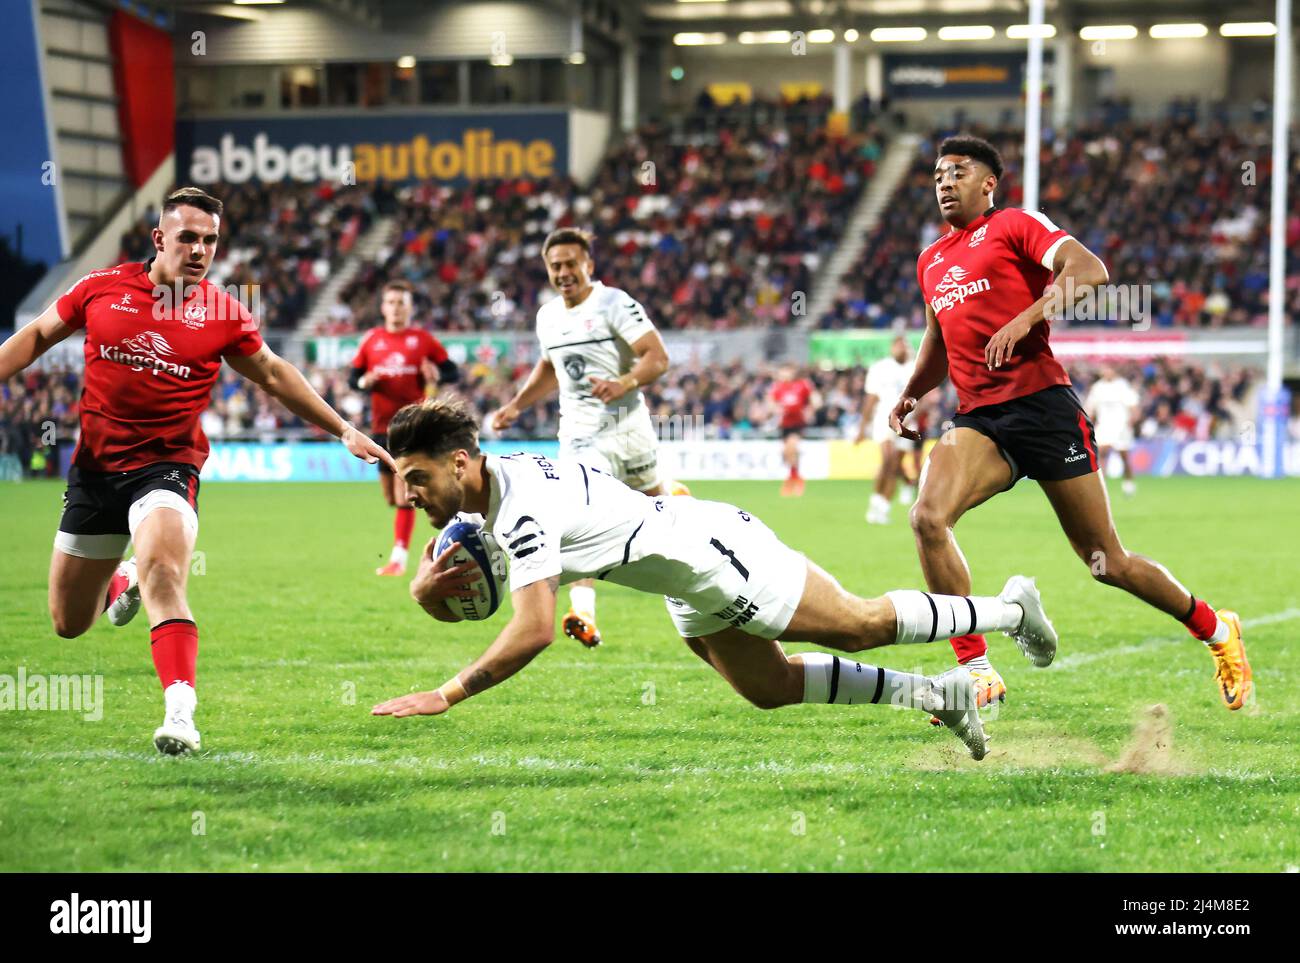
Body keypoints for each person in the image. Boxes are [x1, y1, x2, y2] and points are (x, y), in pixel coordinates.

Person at [371, 398, 1061, 762]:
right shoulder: (502, 481)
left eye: (418, 479)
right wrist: (433, 581)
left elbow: (532, 628)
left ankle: (1008, 608)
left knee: (861, 623)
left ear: (460, 462)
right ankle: (938, 695)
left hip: (712, 553)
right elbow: (505, 557)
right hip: (681, 569)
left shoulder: (516, 508)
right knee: (770, 688)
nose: (411, 496)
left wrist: (448, 691)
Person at [0, 186, 393, 754]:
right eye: (188, 237)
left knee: (164, 570)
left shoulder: (223, 313)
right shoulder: (99, 290)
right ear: (159, 239)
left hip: (168, 467)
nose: (201, 250)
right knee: (69, 622)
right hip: (95, 472)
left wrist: (345, 429)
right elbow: (37, 335)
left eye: (210, 240)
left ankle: (180, 712)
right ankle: (122, 578)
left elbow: (275, 373)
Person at [891, 135, 1250, 714]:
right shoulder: (930, 260)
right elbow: (937, 337)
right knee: (928, 517)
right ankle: (975, 666)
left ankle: (1215, 629)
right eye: (936, 174)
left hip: (1044, 409)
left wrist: (1027, 316)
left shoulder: (1014, 224)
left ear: (988, 183)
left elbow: (1090, 269)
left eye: (957, 171)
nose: (943, 182)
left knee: (1106, 561)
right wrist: (911, 392)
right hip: (980, 420)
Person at [489, 228, 683, 649]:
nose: (563, 273)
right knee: (581, 516)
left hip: (630, 428)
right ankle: (583, 614)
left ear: (588, 265)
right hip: (580, 435)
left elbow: (658, 357)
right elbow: (548, 368)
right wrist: (516, 407)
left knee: (662, 513)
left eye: (570, 264)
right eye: (555, 266)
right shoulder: (547, 317)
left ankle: (686, 537)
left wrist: (624, 382)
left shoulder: (614, 302)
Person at [348, 278, 459, 575]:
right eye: (392, 302)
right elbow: (352, 377)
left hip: (412, 426)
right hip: (380, 429)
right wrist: (364, 382)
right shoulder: (372, 340)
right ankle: (442, 499)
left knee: (402, 496)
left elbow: (453, 371)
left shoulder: (422, 339)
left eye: (402, 303)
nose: (396, 308)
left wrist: (437, 373)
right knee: (391, 498)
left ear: (410, 308)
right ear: (383, 307)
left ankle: (399, 558)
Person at [856, 335, 919, 523]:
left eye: (905, 346)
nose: (903, 349)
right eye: (899, 345)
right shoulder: (880, 368)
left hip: (908, 423)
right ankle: (877, 502)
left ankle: (882, 505)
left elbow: (925, 399)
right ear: (892, 348)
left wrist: (911, 417)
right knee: (888, 459)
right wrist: (862, 428)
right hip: (884, 420)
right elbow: (871, 399)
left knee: (893, 466)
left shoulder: (916, 368)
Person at [1084, 365, 1140, 497]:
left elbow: (1133, 406)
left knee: (1124, 457)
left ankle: (1129, 483)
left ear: (1114, 371)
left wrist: (1132, 420)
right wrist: (1088, 424)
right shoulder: (1097, 388)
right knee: (1101, 453)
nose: (1107, 371)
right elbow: (1090, 408)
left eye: (1109, 369)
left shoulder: (1123, 386)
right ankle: (1101, 487)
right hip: (1104, 426)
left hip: (1121, 426)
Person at [770, 364, 819, 497]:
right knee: (787, 453)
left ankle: (794, 480)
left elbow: (815, 400)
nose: (784, 375)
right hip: (784, 424)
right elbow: (771, 402)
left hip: (798, 423)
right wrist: (776, 409)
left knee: (792, 447)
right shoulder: (778, 387)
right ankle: (794, 476)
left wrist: (810, 410)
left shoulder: (803, 384)